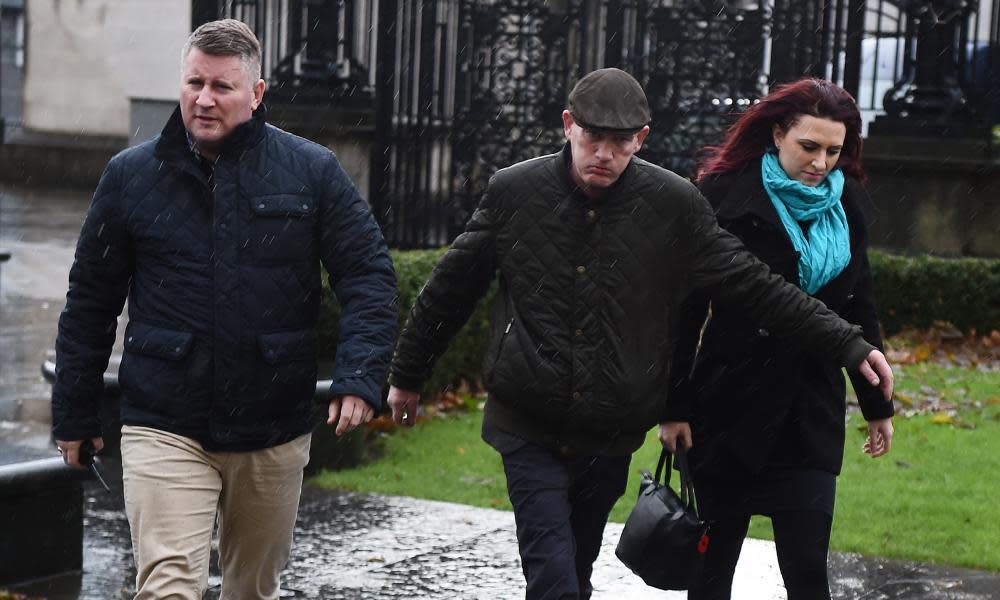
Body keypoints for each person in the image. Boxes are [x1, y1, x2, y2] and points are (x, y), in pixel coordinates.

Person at [385, 68, 893, 600]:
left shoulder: (672, 203)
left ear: (641, 139)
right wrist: (407, 375)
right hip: (528, 416)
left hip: (611, 426)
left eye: (620, 141)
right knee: (553, 575)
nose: (603, 153)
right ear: (567, 126)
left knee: (577, 563)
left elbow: (751, 284)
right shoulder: (514, 191)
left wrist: (850, 344)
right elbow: (450, 288)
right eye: (592, 137)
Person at [51, 19, 397, 599]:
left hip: (273, 422)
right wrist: (74, 412)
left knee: (252, 589)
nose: (204, 99)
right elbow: (89, 301)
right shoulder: (130, 178)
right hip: (164, 420)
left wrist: (359, 376)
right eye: (194, 83)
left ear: (257, 95)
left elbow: (367, 276)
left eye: (222, 87)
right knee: (168, 586)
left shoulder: (312, 172)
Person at [660, 78, 895, 600]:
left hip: (809, 408)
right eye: (808, 146)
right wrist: (672, 407)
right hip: (728, 406)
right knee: (713, 569)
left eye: (834, 150)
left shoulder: (847, 203)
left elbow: (860, 306)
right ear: (777, 134)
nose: (822, 163)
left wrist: (878, 404)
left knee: (808, 571)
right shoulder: (725, 195)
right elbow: (685, 310)